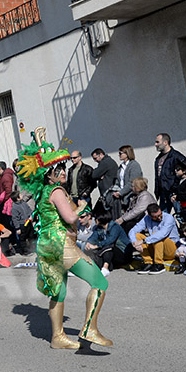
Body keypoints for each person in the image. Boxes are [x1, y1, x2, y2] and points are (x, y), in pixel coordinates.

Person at [16, 127, 112, 351]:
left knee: (58, 291)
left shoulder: (43, 193)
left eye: (62, 168)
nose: (62, 172)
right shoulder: (57, 190)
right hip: (61, 244)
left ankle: (57, 336)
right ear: (49, 174)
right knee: (100, 282)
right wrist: (82, 207)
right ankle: (90, 328)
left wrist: (41, 141)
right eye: (58, 169)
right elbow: (69, 216)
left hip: (47, 245)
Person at [128, 204, 181, 274]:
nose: (159, 218)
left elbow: (162, 234)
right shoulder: (146, 218)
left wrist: (143, 241)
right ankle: (148, 262)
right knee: (137, 235)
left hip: (171, 249)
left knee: (156, 235)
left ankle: (159, 264)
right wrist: (135, 243)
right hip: (156, 248)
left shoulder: (169, 218)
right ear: (149, 216)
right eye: (155, 217)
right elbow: (133, 231)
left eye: (160, 215)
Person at [153, 133, 186, 212]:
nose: (155, 144)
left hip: (174, 192)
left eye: (157, 142)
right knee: (163, 217)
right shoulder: (158, 158)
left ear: (165, 142)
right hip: (163, 193)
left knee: (180, 215)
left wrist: (175, 189)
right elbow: (158, 176)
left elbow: (182, 173)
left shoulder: (176, 156)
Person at [113, 145, 143, 214]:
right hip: (121, 196)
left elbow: (132, 182)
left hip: (131, 195)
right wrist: (116, 190)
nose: (119, 155)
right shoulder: (121, 166)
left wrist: (121, 192)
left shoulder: (134, 165)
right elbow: (118, 179)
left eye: (121, 153)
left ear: (127, 154)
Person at [90, 148, 119, 218]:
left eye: (95, 158)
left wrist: (98, 175)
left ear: (101, 154)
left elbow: (94, 175)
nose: (95, 161)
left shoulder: (105, 162)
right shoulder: (109, 161)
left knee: (100, 214)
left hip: (108, 193)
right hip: (109, 192)